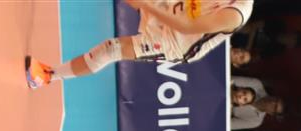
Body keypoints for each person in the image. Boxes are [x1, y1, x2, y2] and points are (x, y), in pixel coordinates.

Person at [25, 0, 254, 88]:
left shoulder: (236, 14)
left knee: (112, 49)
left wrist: (148, 5)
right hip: (174, 6)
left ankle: (47, 76)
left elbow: (186, 26)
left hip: (178, 41)